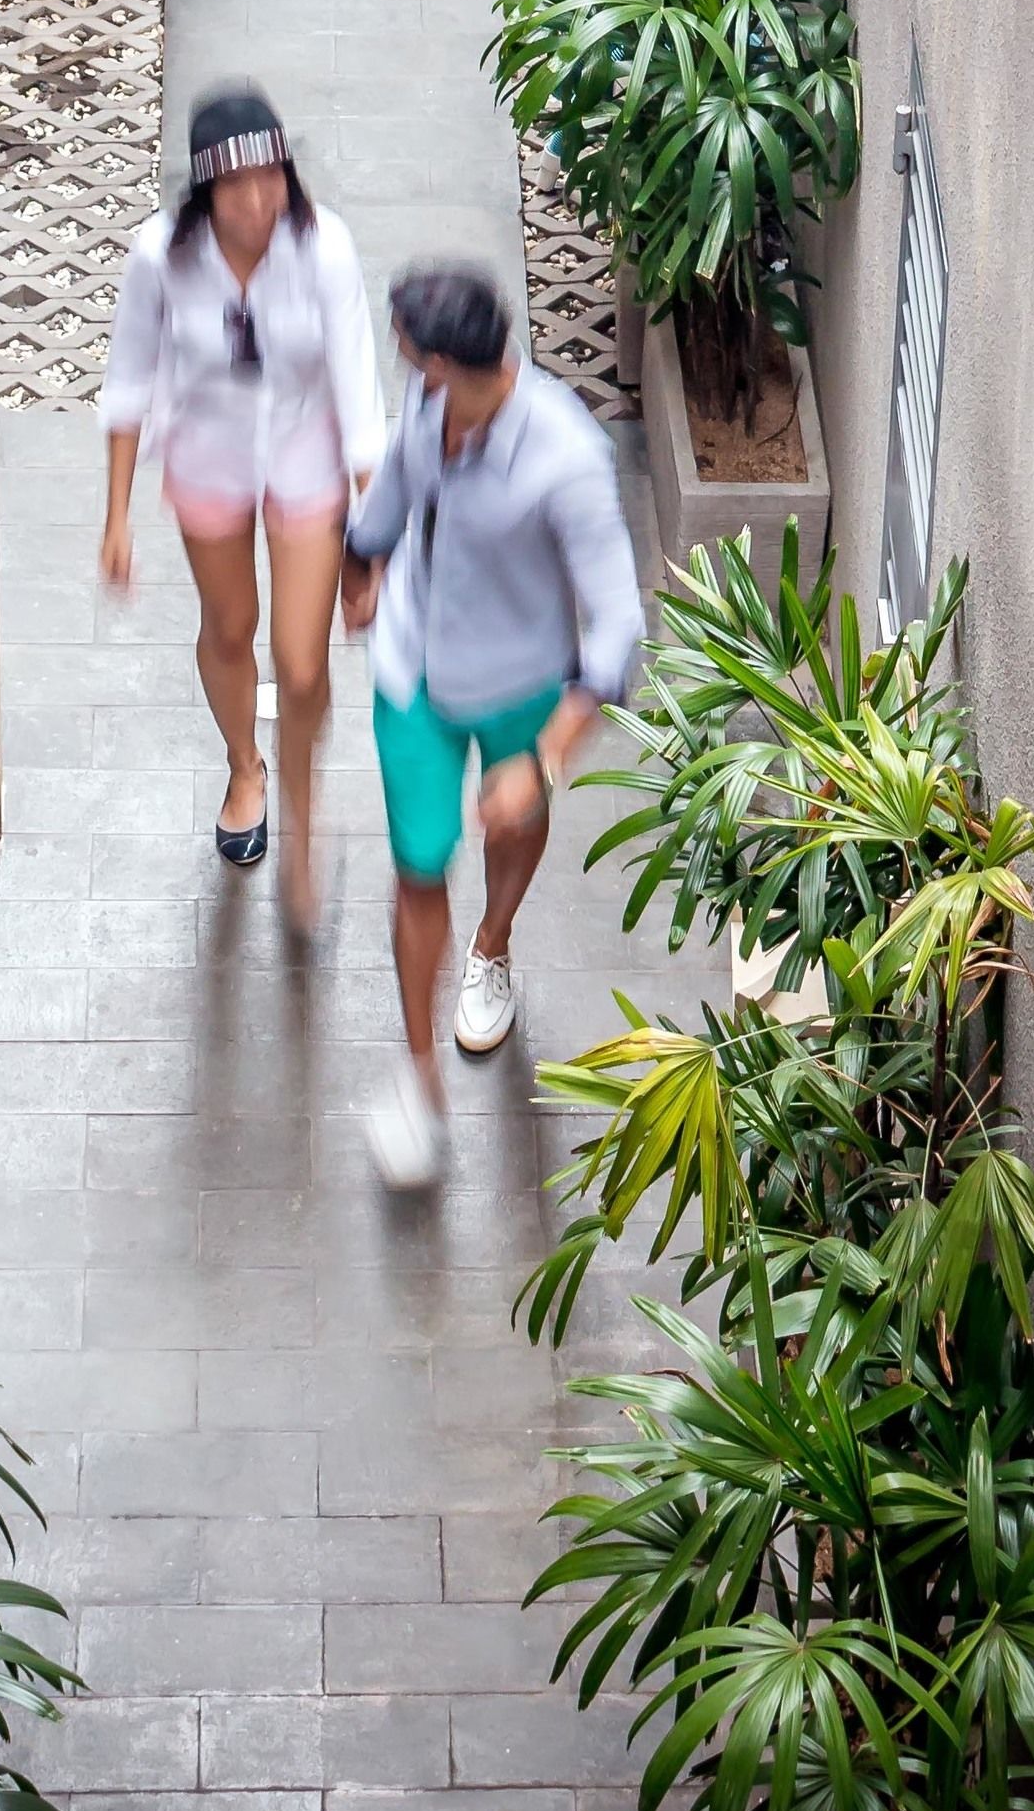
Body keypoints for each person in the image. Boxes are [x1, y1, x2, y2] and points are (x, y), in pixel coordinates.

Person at [342, 264, 644, 1191]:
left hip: (520, 681)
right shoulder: (429, 406)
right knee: (419, 862)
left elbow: (620, 623)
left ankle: (494, 946)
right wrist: (363, 563)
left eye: (408, 353)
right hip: (416, 674)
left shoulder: (566, 458)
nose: (404, 368)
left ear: (443, 360)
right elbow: (392, 494)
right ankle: (421, 1075)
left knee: (513, 822)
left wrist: (546, 757)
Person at [99, 87, 385, 924]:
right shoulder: (161, 255)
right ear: (205, 193)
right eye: (236, 186)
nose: (258, 201)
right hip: (208, 456)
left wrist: (379, 536)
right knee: (230, 627)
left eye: (271, 179)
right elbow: (128, 381)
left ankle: (300, 802)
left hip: (306, 456)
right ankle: (244, 768)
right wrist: (115, 517)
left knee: (301, 661)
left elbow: (361, 398)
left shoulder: (323, 246)